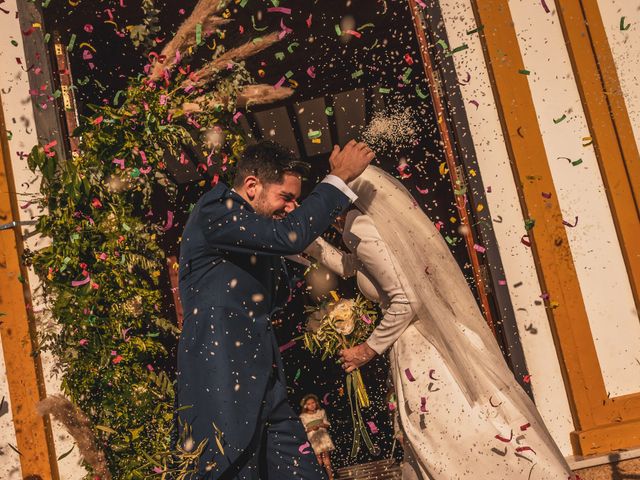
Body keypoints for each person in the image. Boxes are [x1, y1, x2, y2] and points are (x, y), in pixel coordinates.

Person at [304, 165, 575, 480]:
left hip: (420, 347)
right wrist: (308, 242)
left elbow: (407, 298)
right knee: (475, 421)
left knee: (446, 433)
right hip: (433, 337)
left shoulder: (357, 225)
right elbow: (353, 265)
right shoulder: (369, 224)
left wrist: (368, 348)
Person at [175, 139, 374, 479]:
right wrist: (338, 177)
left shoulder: (252, 236)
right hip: (222, 383)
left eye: (297, 200)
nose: (293, 208)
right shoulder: (216, 209)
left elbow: (280, 283)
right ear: (251, 186)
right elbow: (287, 237)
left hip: (267, 385)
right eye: (286, 197)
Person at [299, 394, 335, 480]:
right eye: (309, 404)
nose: (312, 405)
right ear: (305, 406)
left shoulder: (321, 412)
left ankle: (330, 477)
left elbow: (327, 424)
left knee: (326, 458)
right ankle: (320, 477)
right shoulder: (303, 416)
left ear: (316, 403)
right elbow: (303, 429)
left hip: (323, 436)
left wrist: (323, 424)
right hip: (313, 438)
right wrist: (311, 428)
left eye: (313, 403)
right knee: (318, 459)